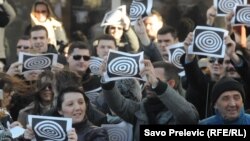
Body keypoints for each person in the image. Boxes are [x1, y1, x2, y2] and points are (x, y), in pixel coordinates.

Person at [101, 60, 199, 141]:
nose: (147, 84)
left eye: (153, 78)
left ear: (170, 83)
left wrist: (157, 85)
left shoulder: (181, 107)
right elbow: (118, 105)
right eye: (147, 78)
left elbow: (188, 116)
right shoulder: (140, 108)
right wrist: (107, 79)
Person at [23, 87, 109, 141]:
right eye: (70, 104)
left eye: (81, 102)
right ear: (60, 110)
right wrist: (27, 138)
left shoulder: (97, 133)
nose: (78, 108)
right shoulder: (46, 130)